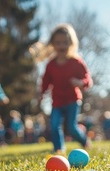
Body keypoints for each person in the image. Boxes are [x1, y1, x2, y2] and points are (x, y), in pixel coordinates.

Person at [39, 24, 92, 153]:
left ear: (71, 43)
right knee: (54, 125)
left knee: (71, 127)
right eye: (57, 43)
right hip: (57, 101)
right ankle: (58, 149)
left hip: (73, 100)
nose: (61, 46)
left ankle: (84, 141)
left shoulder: (76, 62)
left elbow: (88, 81)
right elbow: (45, 81)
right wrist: (41, 93)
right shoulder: (51, 64)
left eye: (65, 42)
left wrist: (80, 82)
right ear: (52, 44)